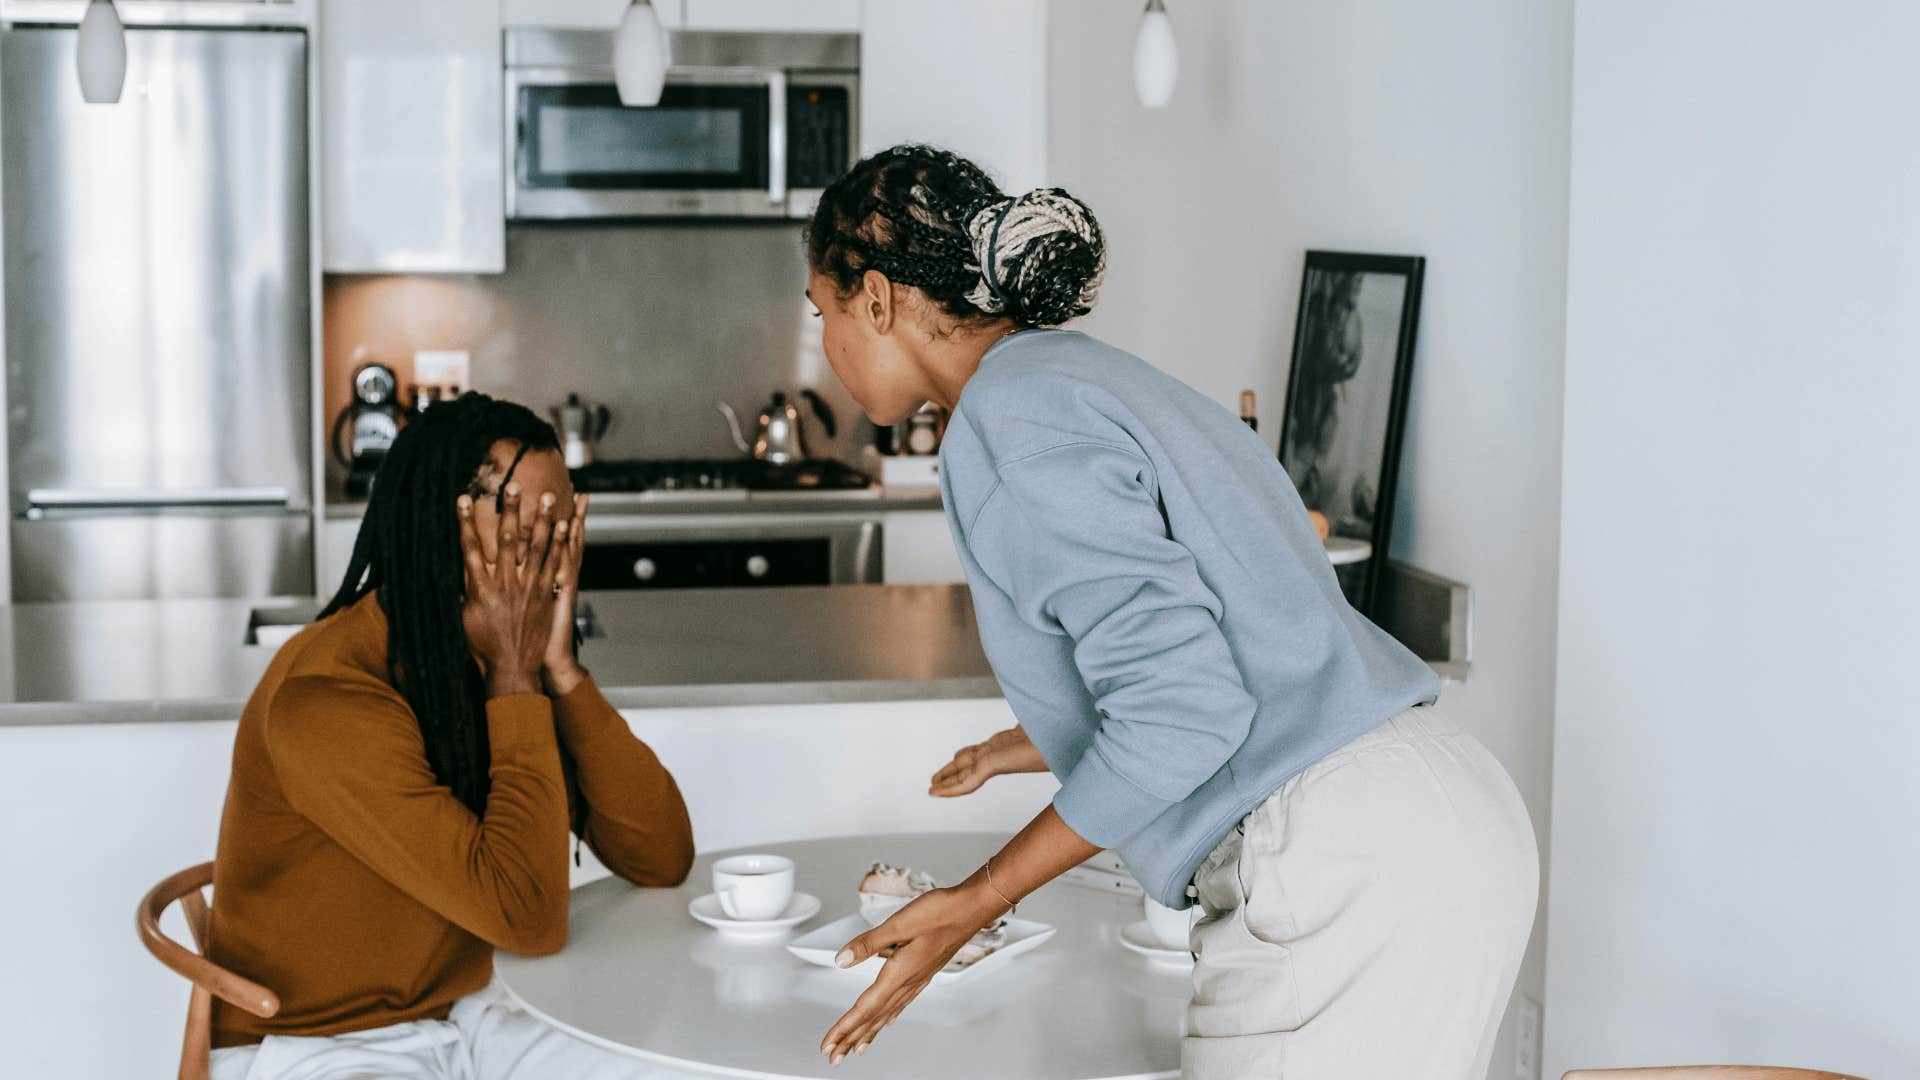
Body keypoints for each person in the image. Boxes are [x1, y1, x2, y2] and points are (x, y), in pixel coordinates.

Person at [802, 145, 1538, 1079]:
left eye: (820, 311)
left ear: (875, 298)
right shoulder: (1089, 379)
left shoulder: (1005, 422)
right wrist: (1028, 746)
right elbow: (1234, 646)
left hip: (1340, 860)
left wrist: (973, 900)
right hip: (1437, 813)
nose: (826, 343)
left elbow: (1186, 710)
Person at [204, 394, 698, 1079]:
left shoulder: (495, 657)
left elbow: (662, 854)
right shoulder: (327, 700)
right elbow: (529, 918)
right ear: (445, 525)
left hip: (473, 1010)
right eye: (528, 526)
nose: (553, 556)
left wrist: (561, 672)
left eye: (564, 526)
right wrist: (519, 677)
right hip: (323, 1045)